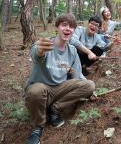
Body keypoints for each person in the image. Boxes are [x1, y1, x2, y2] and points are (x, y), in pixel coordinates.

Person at [25, 13, 96, 144]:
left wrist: (89, 91)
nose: (67, 28)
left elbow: (77, 74)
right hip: (41, 89)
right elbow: (36, 55)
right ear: (56, 27)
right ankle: (37, 127)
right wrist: (40, 51)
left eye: (71, 26)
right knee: (35, 90)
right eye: (64, 25)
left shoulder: (73, 51)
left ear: (74, 30)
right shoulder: (45, 44)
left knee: (90, 85)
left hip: (59, 88)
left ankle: (55, 110)